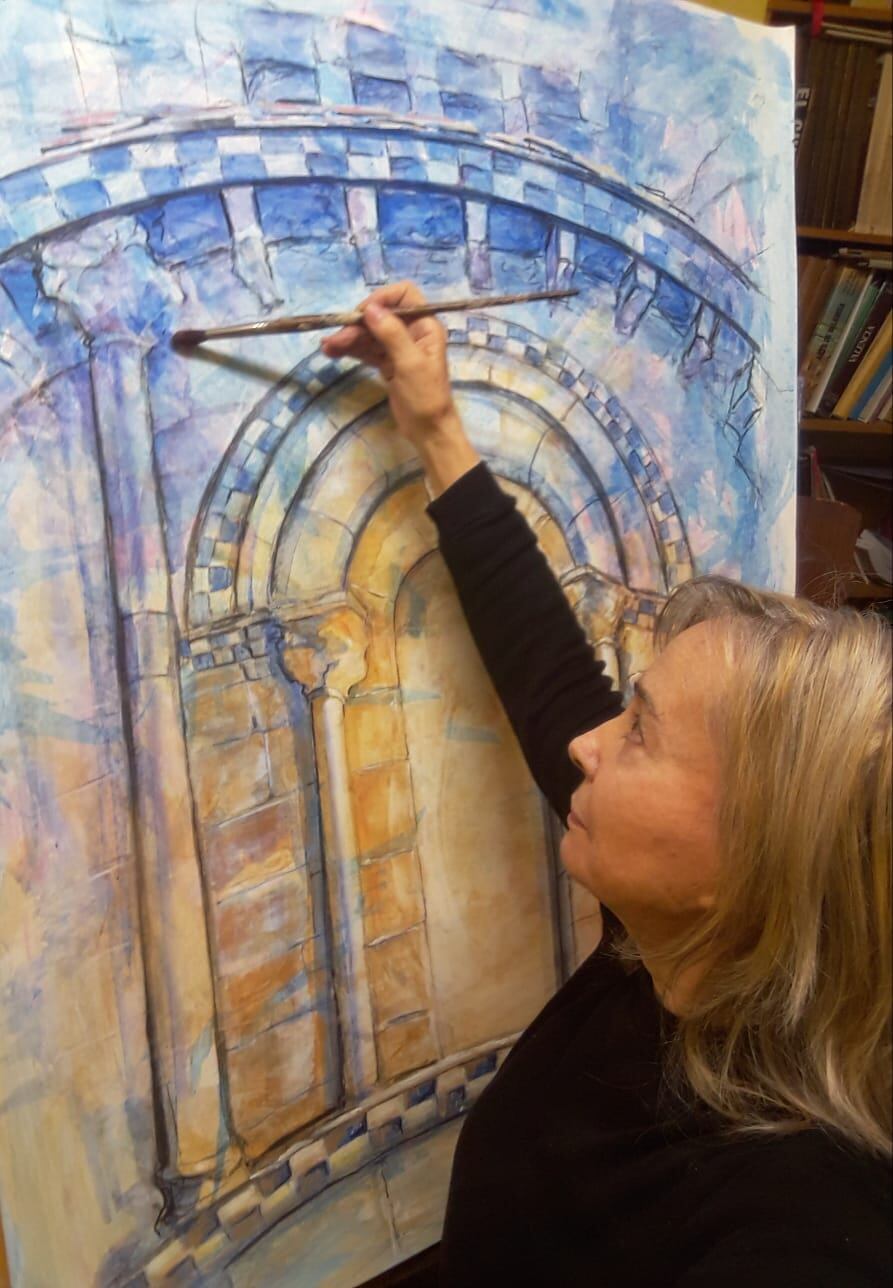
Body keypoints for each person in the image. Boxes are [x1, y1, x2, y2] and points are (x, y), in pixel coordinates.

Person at [322, 282, 892, 1286]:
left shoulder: (799, 1220)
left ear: (758, 847)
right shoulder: (691, 942)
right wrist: (435, 426)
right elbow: (545, 669)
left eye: (639, 732)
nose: (587, 744)